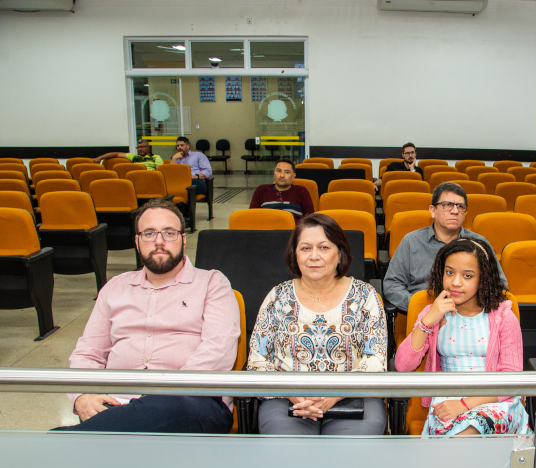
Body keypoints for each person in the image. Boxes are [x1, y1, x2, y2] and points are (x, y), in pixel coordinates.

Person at [54, 198, 240, 433]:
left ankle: (60, 441)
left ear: (183, 239)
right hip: (114, 403)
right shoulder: (115, 287)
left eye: (169, 233)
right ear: (137, 241)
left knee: (162, 406)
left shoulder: (212, 282)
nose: (159, 242)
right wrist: (82, 396)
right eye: (149, 233)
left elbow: (218, 350)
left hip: (191, 400)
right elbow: (88, 352)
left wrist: (162, 393)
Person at [247, 213, 387, 435]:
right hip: (286, 400)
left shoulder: (364, 296)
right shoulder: (278, 297)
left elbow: (376, 360)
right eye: (305, 248)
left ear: (340, 254)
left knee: (350, 451)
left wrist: (334, 394)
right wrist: (293, 392)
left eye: (324, 247)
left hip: (353, 397)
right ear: (295, 255)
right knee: (289, 450)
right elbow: (257, 360)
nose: (314, 256)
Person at [395, 238, 529, 436]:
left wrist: (465, 404)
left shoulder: (503, 317)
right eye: (450, 273)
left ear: (482, 278)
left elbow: (511, 380)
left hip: (494, 401)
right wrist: (428, 322)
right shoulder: (432, 313)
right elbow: (402, 365)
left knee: (468, 433)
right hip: (447, 402)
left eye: (467, 275)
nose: (455, 282)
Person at [384, 182, 507, 345]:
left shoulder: (479, 244)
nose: (455, 211)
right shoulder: (411, 242)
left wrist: (466, 310)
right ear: (432, 210)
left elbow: (500, 287)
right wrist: (423, 308)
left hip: (469, 324)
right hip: (422, 322)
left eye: (460, 207)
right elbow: (392, 285)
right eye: (447, 205)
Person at [249, 158, 315, 222]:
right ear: (274, 173)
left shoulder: (301, 191)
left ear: (293, 176)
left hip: (292, 231)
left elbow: (311, 220)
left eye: (287, 172)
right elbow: (251, 217)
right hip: (266, 231)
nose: (282, 175)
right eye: (279, 171)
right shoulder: (261, 190)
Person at [94, 138, 164, 171]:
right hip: (135, 178)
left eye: (142, 147)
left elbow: (160, 172)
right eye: (138, 147)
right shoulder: (133, 156)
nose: (140, 149)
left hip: (150, 178)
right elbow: (116, 154)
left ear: (148, 147)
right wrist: (100, 158)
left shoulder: (156, 157)